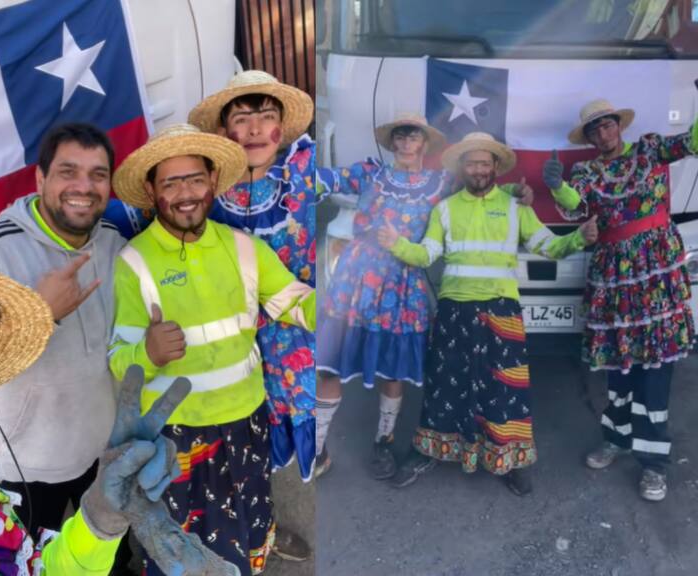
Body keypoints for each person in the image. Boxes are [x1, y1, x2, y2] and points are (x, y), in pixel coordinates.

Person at [0, 226, 236, 575]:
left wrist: (99, 520)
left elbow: (34, 569)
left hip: (90, 453)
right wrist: (45, 313)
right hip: (30, 467)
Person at [108, 124, 316, 575]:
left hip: (247, 419)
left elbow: (293, 301)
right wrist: (147, 353)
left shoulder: (243, 247)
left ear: (213, 182)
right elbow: (118, 360)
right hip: (176, 435)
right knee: (183, 542)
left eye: (195, 179)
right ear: (152, 191)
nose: (186, 193)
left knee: (249, 519)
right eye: (171, 182)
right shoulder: (133, 263)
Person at [315, 114, 534, 480]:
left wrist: (516, 192)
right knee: (330, 364)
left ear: (424, 143)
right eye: (399, 137)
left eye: (412, 136)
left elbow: (479, 188)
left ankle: (383, 443)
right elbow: (327, 180)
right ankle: (317, 448)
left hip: (403, 281)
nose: (405, 143)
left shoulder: (440, 183)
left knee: (394, 368)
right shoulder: (371, 173)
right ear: (391, 143)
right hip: (357, 278)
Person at [378, 132, 598, 495]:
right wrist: (396, 244)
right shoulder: (445, 209)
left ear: (495, 167)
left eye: (484, 163)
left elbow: (549, 246)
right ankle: (427, 451)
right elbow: (426, 254)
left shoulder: (516, 206)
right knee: (444, 385)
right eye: (472, 163)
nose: (478, 169)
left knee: (505, 388)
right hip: (454, 309)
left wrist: (579, 238)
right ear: (462, 168)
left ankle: (510, 459)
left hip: (501, 309)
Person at [0, 123, 126, 536]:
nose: (84, 186)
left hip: (100, 449)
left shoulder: (114, 242)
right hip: (25, 464)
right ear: (40, 179)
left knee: (106, 552)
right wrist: (40, 315)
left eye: (97, 174)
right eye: (68, 172)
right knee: (33, 559)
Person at [542, 98, 698, 501]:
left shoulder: (650, 149)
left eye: (607, 124)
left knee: (656, 363)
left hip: (656, 271)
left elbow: (692, 143)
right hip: (613, 274)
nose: (603, 133)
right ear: (589, 138)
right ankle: (616, 438)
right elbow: (575, 205)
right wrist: (557, 185)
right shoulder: (587, 171)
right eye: (594, 130)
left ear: (619, 125)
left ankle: (653, 463)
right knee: (619, 362)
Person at [188, 71, 316, 487]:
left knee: (304, 412)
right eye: (242, 119)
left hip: (298, 332)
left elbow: (357, 182)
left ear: (282, 127)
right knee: (246, 429)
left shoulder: (305, 173)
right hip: (234, 338)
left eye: (266, 116)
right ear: (224, 131)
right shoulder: (206, 190)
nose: (255, 129)